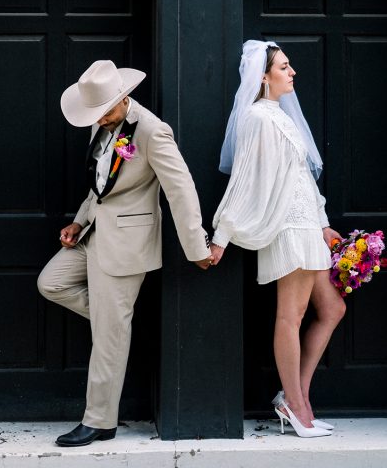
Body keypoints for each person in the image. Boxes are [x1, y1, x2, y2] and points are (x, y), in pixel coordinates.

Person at [37, 58, 213, 448]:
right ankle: (117, 324)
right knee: (51, 283)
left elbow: (181, 190)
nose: (98, 120)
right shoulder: (102, 126)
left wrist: (196, 247)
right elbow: (99, 187)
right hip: (94, 236)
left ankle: (99, 421)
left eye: (103, 112)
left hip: (127, 245)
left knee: (107, 336)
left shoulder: (152, 132)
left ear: (123, 98)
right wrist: (79, 222)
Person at [209, 40, 345, 439]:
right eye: (284, 67)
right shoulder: (257, 117)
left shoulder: (282, 115)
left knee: (332, 308)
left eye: (289, 66)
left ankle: (294, 395)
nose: (292, 73)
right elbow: (245, 179)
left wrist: (322, 222)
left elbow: (301, 175)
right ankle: (298, 408)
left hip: (308, 227)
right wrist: (222, 234)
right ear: (263, 77)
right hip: (286, 227)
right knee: (292, 316)